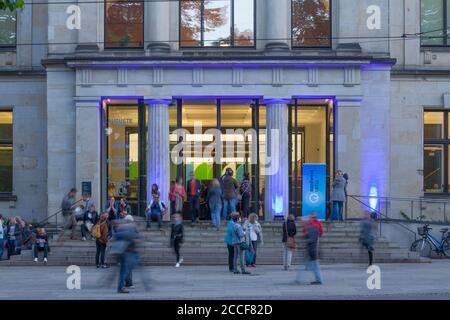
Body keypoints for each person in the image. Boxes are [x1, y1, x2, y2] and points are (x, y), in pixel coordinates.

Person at [296, 213, 323, 285]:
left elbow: (311, 238)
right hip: (311, 250)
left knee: (315, 266)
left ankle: (319, 280)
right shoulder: (312, 227)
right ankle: (298, 279)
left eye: (309, 218)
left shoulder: (313, 227)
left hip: (312, 250)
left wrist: (305, 240)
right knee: (310, 265)